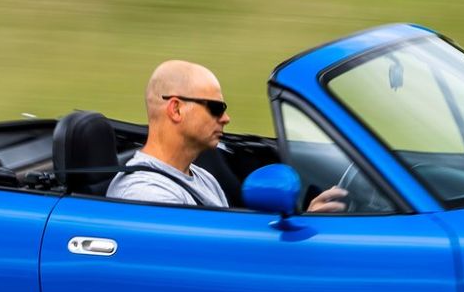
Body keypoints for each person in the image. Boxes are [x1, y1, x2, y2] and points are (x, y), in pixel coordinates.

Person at [107, 60, 347, 212]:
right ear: (176, 109)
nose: (226, 118)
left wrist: (307, 219)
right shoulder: (145, 194)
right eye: (215, 108)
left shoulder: (201, 177)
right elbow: (206, 262)